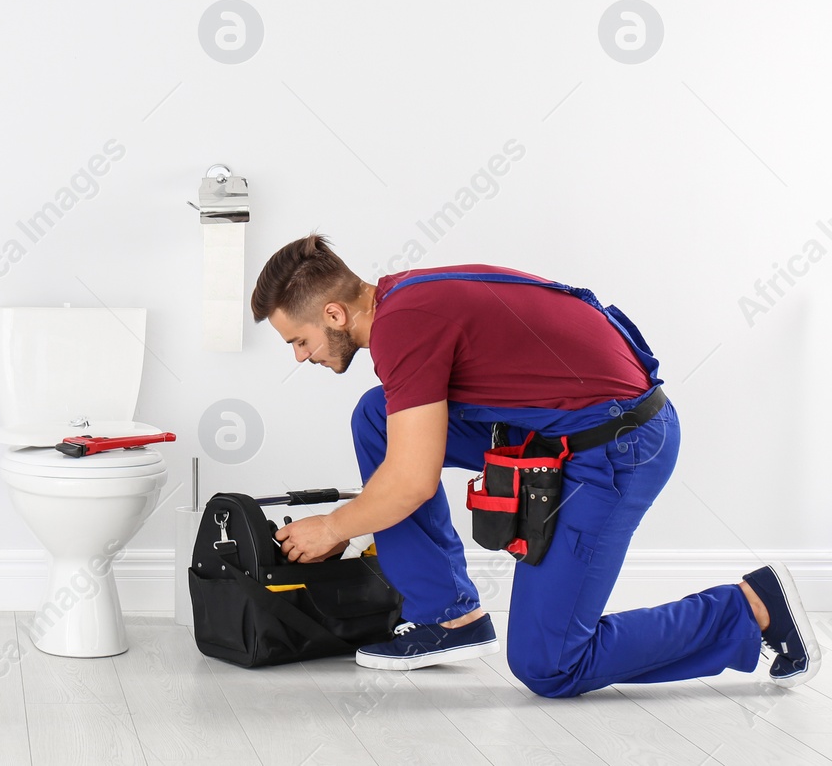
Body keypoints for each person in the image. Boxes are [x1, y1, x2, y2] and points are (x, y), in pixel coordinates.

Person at [256, 233, 820, 697]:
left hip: (619, 447)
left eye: (298, 340)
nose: (301, 356)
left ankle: (751, 607)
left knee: (549, 664)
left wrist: (334, 527)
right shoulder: (406, 296)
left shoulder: (403, 326)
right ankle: (447, 616)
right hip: (564, 429)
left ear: (334, 312)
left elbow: (411, 479)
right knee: (378, 415)